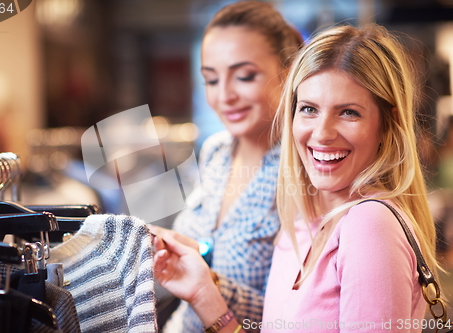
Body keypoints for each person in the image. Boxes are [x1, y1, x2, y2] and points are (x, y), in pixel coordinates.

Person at [152, 24, 442, 333]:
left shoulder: (369, 224)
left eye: (348, 113)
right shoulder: (302, 224)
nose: (322, 134)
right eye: (309, 109)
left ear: (388, 123)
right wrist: (202, 291)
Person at [150, 1, 303, 332]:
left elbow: (295, 316)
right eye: (211, 79)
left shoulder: (302, 170)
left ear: (288, 71)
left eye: (244, 76)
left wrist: (206, 282)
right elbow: (205, 246)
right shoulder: (215, 152)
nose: (225, 96)